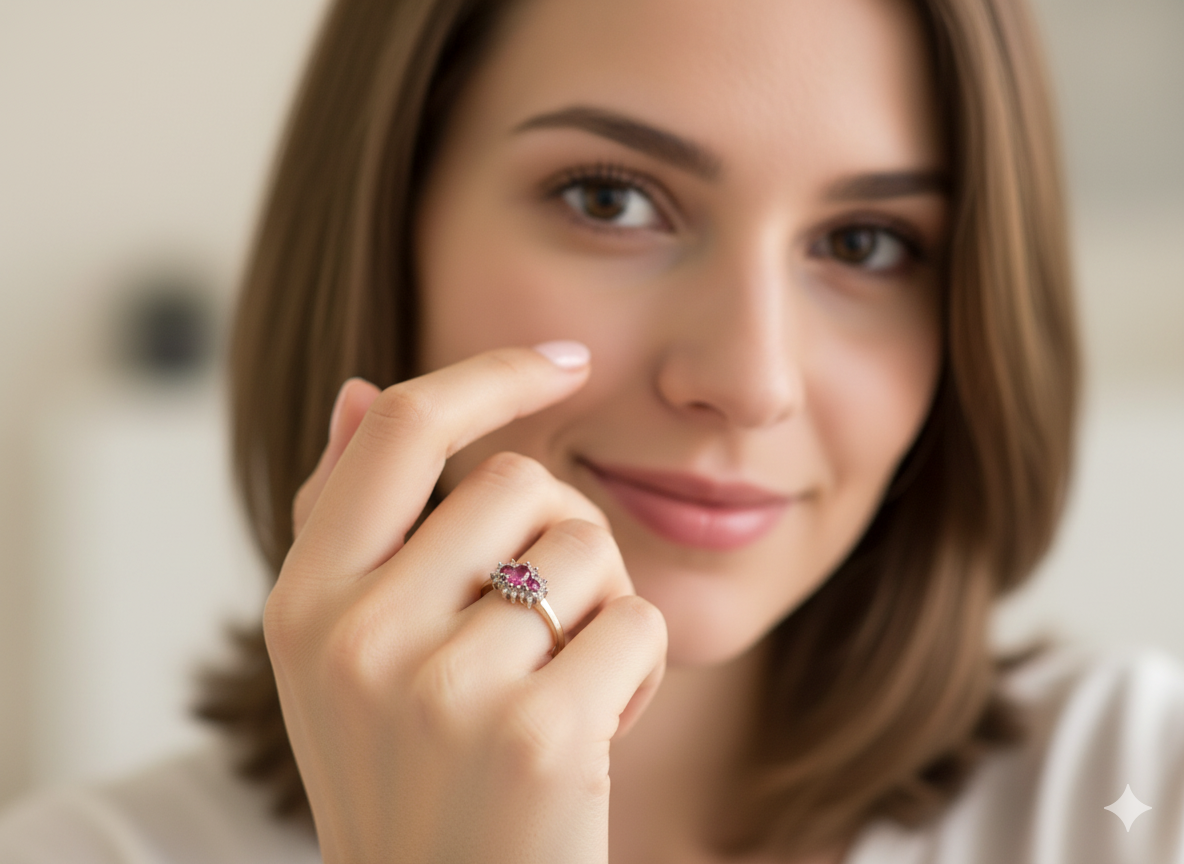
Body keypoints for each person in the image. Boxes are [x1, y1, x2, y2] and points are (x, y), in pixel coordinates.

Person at [2, 0, 1182, 861]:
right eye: (609, 200)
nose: (750, 381)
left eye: (864, 242)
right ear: (386, 228)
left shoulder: (1141, 793)